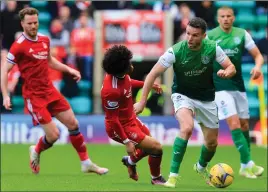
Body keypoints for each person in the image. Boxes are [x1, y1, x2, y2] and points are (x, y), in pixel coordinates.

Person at [1, 7, 108, 175]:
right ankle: (36, 150)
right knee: (54, 136)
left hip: (50, 90)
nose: (33, 26)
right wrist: (6, 95)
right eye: (29, 23)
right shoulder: (18, 46)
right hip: (34, 96)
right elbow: (4, 70)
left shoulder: (44, 39)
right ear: (22, 24)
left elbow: (49, 60)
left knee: (73, 124)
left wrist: (68, 69)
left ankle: (86, 163)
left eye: (35, 22)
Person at [134, 17, 236, 188]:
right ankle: (173, 177)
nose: (189, 38)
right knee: (187, 128)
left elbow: (231, 66)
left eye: (195, 35)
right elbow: (151, 75)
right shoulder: (175, 51)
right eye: (188, 33)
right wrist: (142, 101)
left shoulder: (212, 48)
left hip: (206, 98)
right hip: (183, 95)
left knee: (211, 144)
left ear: (204, 36)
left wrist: (228, 72)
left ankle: (201, 166)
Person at [207, 6, 264, 178]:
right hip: (219, 87)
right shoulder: (210, 36)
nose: (225, 19)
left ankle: (245, 164)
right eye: (222, 16)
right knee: (234, 124)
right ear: (218, 19)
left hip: (238, 86)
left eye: (228, 16)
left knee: (245, 125)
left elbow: (258, 55)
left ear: (233, 18)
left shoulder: (242, 34)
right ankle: (248, 165)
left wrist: (258, 67)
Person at [101, 45, 166, 185]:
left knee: (149, 147)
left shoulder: (119, 74)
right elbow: (113, 119)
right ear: (121, 66)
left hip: (131, 118)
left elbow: (128, 82)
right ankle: (156, 178)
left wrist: (148, 84)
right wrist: (127, 142)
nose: (131, 65)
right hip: (119, 126)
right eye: (129, 62)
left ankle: (129, 161)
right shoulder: (110, 91)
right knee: (156, 147)